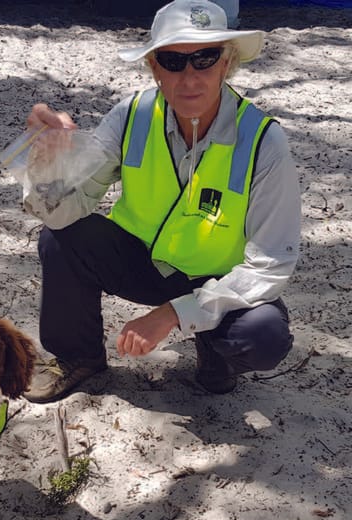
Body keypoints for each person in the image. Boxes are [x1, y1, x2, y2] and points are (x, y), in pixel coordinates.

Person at [20, 0, 301, 403]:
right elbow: (64, 209)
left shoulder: (264, 141)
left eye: (205, 58)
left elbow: (272, 263)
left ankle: (214, 349)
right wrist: (47, 162)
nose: (190, 77)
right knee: (59, 237)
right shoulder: (129, 115)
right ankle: (77, 357)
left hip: (215, 280)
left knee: (262, 335)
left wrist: (174, 315)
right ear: (153, 67)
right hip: (139, 262)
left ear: (228, 63)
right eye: (172, 60)